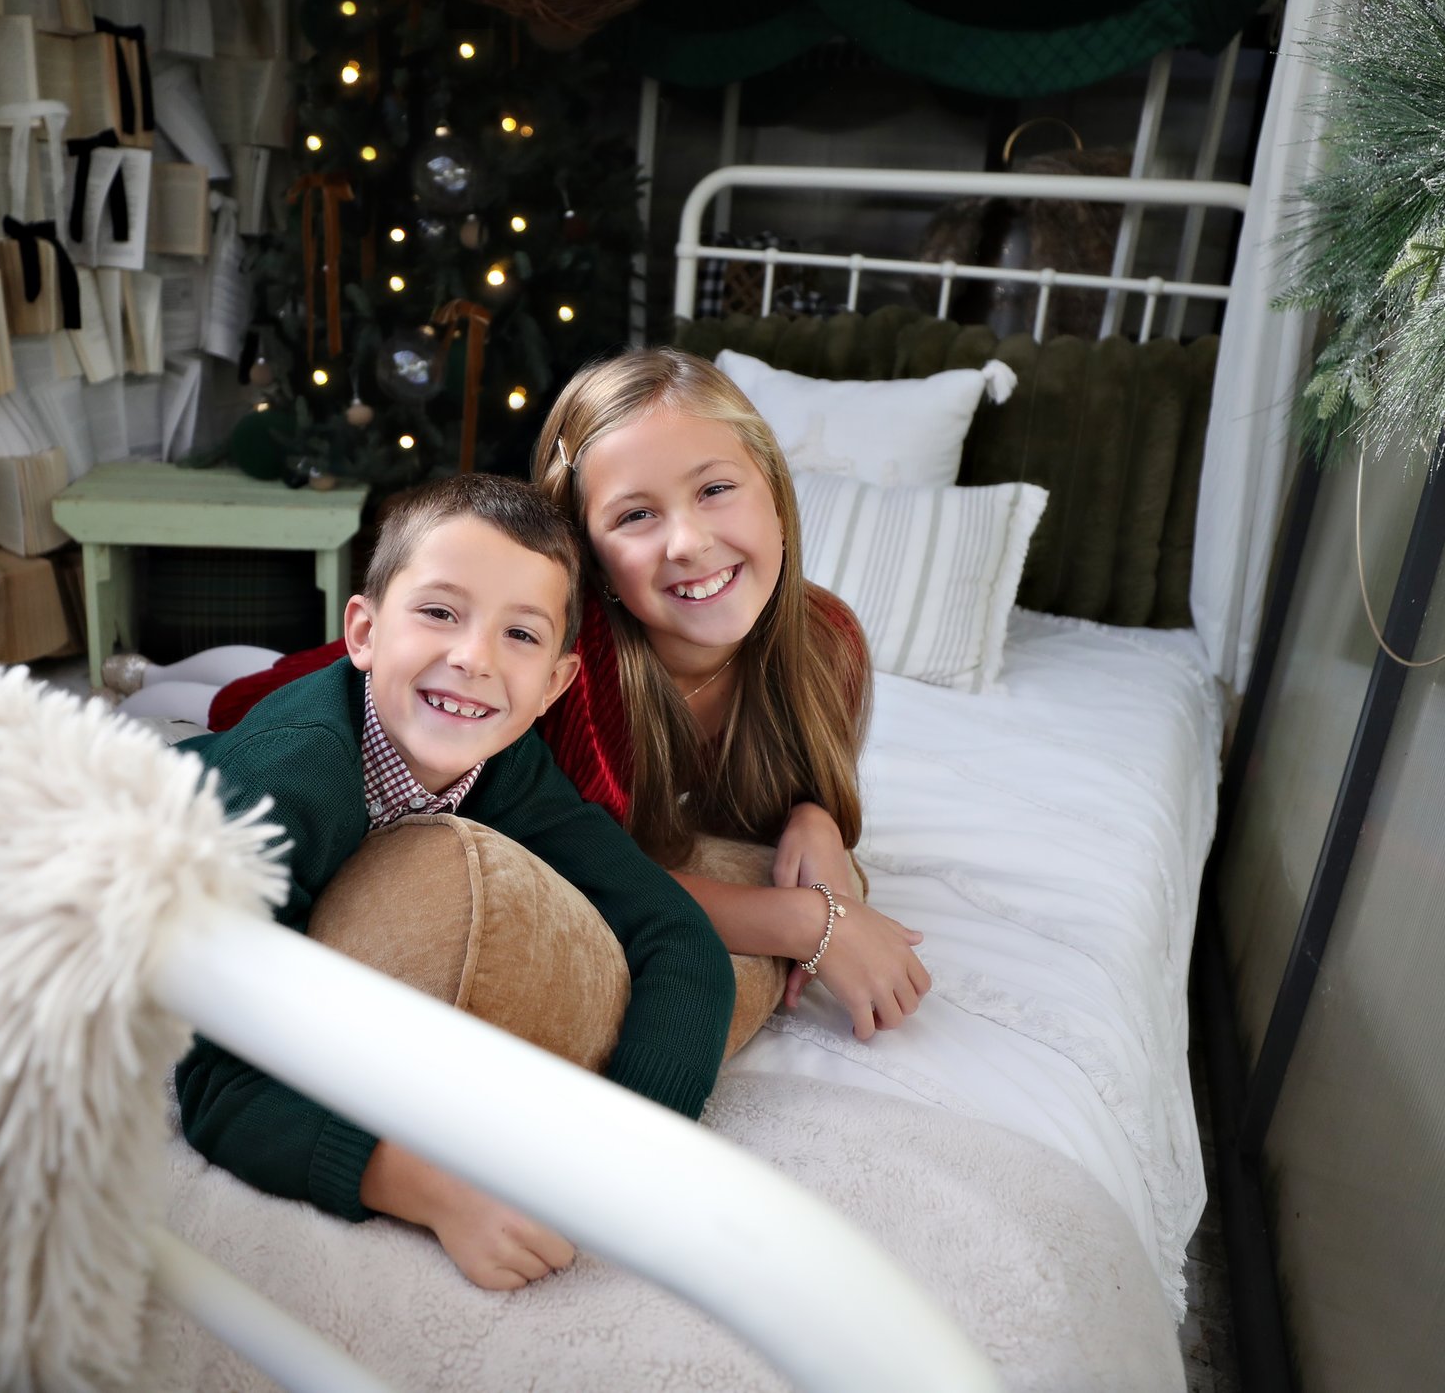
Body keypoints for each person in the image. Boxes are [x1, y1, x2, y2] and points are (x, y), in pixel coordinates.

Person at [211, 349, 931, 1041]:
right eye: (635, 515)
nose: (687, 542)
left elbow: (806, 777)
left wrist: (815, 816)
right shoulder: (572, 673)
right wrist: (808, 922)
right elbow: (593, 876)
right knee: (232, 698)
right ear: (593, 565)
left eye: (715, 489)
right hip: (322, 697)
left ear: (775, 491)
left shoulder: (827, 641)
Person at [174, 472, 735, 1291]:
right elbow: (215, 1083)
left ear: (555, 685)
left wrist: (627, 1145)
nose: (474, 658)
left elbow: (675, 934)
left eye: (521, 633)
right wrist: (434, 1190)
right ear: (364, 632)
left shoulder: (506, 763)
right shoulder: (290, 780)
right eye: (439, 612)